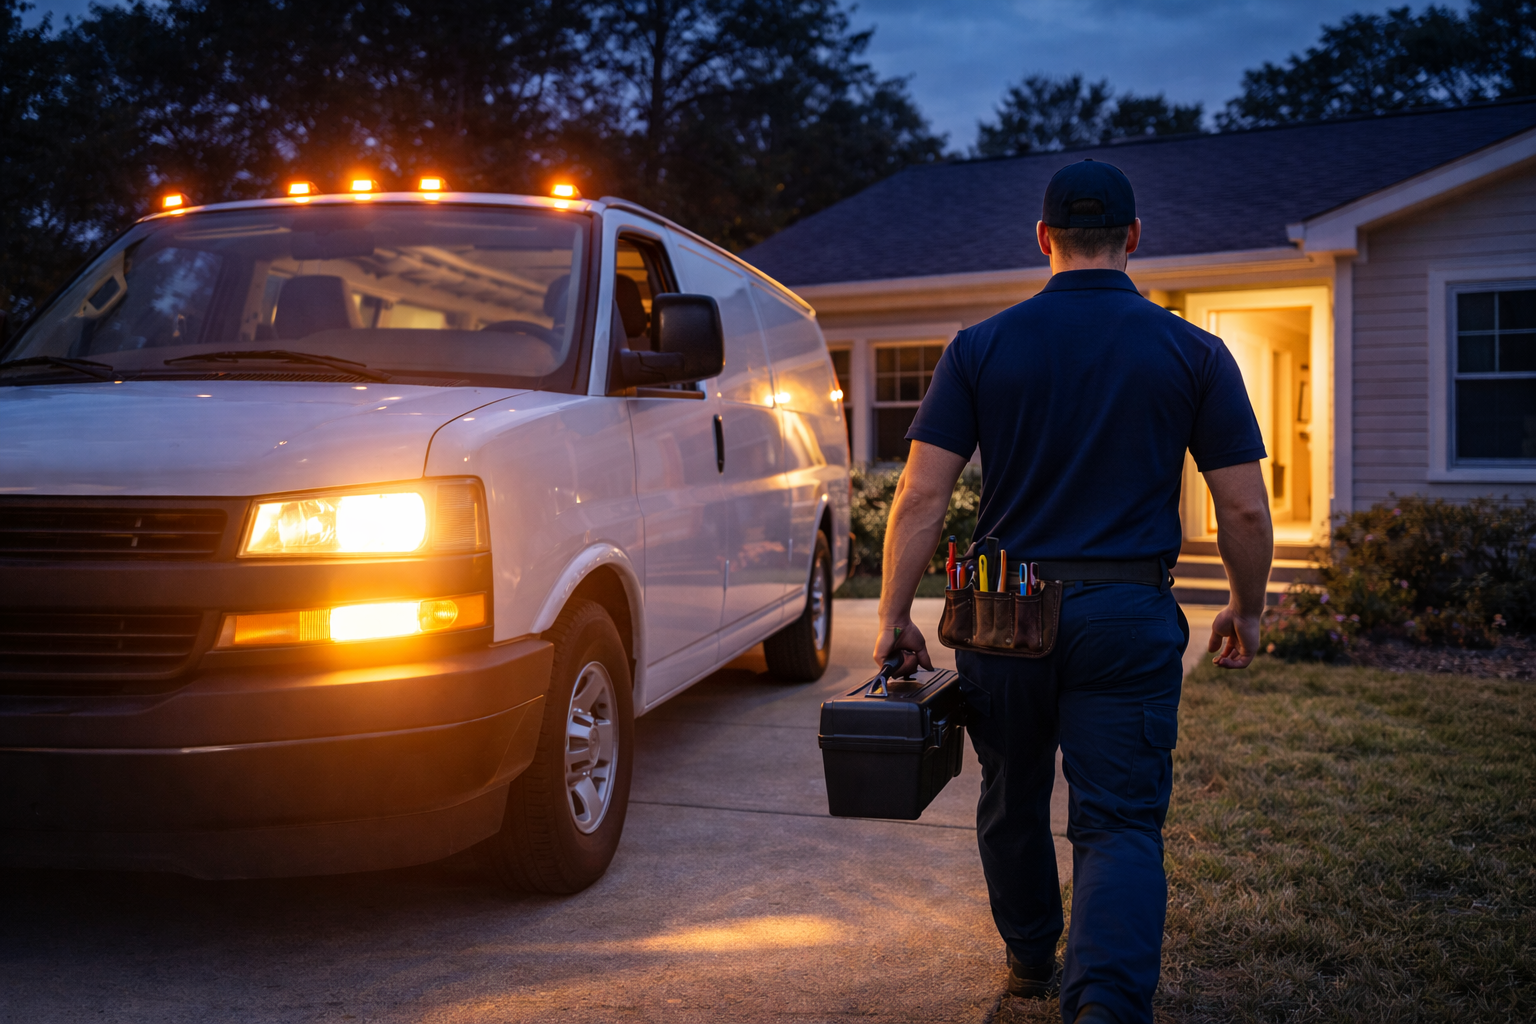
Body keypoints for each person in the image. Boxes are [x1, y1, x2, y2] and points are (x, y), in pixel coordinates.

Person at [873, 159, 1273, 1024]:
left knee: (1012, 793)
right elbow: (1242, 504)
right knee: (1120, 822)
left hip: (1003, 614)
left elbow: (922, 495)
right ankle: (1104, 1009)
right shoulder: (1194, 352)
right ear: (1133, 238)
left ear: (1044, 238)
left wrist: (895, 613)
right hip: (1128, 613)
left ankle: (1027, 958)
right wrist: (1246, 606)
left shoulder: (980, 346)